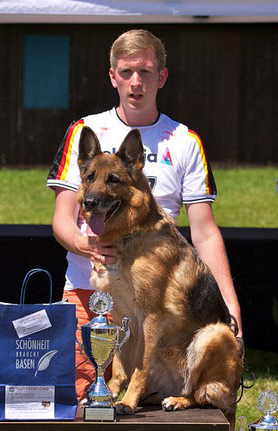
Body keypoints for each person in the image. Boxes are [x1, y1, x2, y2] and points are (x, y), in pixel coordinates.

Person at [47, 29, 243, 402]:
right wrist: (89, 247)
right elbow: (62, 218)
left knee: (147, 422)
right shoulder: (83, 130)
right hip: (87, 293)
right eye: (126, 72)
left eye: (146, 72)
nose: (136, 82)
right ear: (112, 76)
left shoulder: (185, 140)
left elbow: (204, 233)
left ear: (162, 77)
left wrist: (230, 308)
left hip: (152, 306)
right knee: (75, 405)